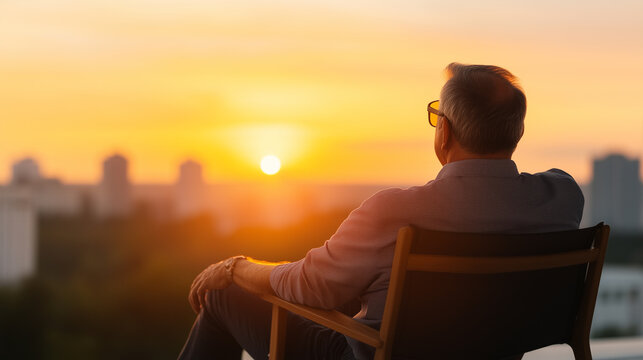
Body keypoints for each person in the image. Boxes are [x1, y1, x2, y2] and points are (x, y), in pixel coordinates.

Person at [177, 63, 584, 360]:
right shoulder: (563, 197)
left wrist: (237, 267)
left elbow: (309, 286)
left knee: (224, 296)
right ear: (518, 133)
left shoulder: (393, 212)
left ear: (444, 131)